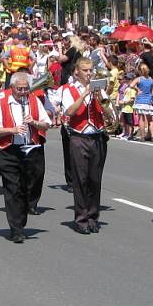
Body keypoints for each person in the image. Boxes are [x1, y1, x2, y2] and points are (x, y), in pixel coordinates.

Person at [0, 71, 50, 243]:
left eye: (26, 89)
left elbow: (47, 124)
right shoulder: (2, 102)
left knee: (27, 187)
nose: (23, 92)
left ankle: (21, 221)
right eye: (19, 89)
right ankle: (16, 229)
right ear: (12, 88)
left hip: (31, 148)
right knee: (12, 188)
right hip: (9, 150)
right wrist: (13, 130)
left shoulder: (34, 101)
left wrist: (35, 123)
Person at [62, 58, 111, 234]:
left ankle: (93, 217)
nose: (89, 73)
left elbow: (108, 111)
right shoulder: (68, 90)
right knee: (80, 179)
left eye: (90, 70)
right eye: (85, 70)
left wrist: (100, 98)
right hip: (78, 137)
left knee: (95, 179)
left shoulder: (99, 89)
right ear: (77, 72)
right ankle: (81, 218)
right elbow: (69, 111)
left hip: (97, 136)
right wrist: (84, 94)